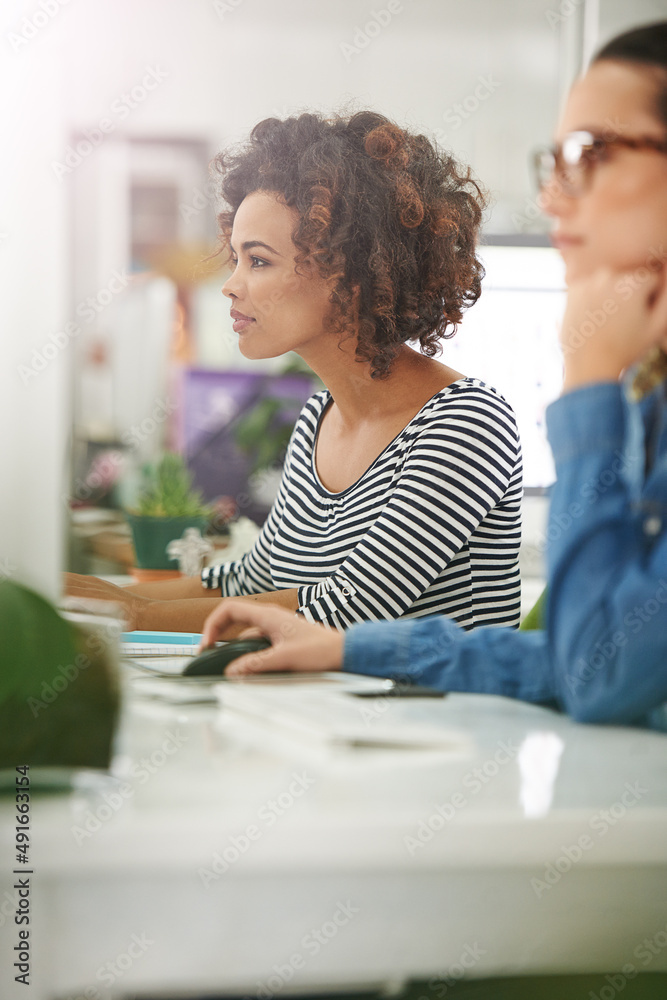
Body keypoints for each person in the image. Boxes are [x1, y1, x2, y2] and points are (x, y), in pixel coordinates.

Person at [199, 23, 667, 731]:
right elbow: (561, 656)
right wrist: (349, 649)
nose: (551, 197)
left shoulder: (528, 409)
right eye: (556, 159)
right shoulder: (649, 409)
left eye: (590, 154)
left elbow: (597, 672)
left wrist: (587, 379)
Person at [66, 112, 524, 638]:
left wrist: (134, 614)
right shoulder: (318, 417)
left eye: (257, 261)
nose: (230, 286)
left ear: (348, 273)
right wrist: (92, 596)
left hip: (433, 718)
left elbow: (349, 610)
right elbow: (250, 579)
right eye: (236, 258)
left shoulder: (468, 423)